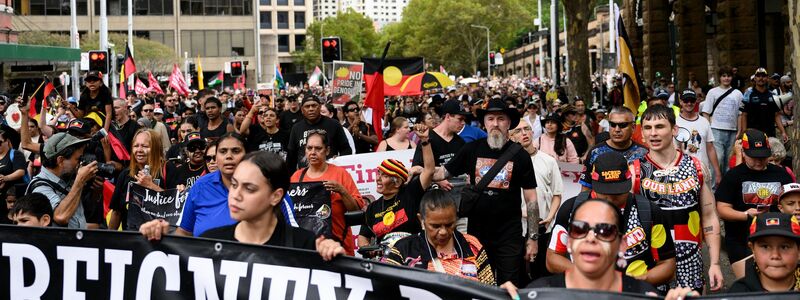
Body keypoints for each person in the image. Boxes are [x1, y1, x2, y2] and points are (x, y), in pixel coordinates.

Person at [142, 151, 346, 261]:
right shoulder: (210, 242)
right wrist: (156, 243)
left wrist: (335, 260)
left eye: (249, 188)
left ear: (276, 196)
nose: (235, 196)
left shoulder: (305, 246)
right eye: (234, 185)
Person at [433, 98, 538, 286]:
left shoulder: (520, 155)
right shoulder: (471, 148)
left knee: (510, 287)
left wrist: (533, 238)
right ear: (484, 122)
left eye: (500, 119)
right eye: (490, 119)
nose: (495, 124)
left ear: (508, 123)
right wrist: (421, 165)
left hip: (509, 236)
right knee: (480, 286)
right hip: (477, 235)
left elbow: (531, 200)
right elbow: (443, 172)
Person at [547, 152, 676, 288]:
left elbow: (667, 264)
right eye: (606, 193)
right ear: (594, 184)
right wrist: (588, 277)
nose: (612, 199)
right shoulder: (572, 210)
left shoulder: (649, 211)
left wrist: (633, 283)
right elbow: (552, 258)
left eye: (618, 192)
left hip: (633, 294)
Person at [635, 104, 724, 292]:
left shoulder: (696, 167)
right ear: (642, 133)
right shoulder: (634, 171)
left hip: (690, 263)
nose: (653, 133)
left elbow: (709, 216)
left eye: (660, 126)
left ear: (674, 129)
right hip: (651, 264)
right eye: (648, 128)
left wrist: (715, 263)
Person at [502, 198, 659, 298]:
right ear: (569, 241)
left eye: (604, 231)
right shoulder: (540, 293)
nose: (590, 238)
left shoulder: (645, 295)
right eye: (579, 229)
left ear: (622, 244)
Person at [716, 128, 794, 279]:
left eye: (763, 156)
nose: (759, 161)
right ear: (743, 153)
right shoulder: (733, 176)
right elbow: (722, 209)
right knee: (750, 284)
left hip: (776, 238)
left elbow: (793, 202)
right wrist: (746, 215)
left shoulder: (781, 174)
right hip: (741, 240)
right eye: (753, 157)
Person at [384, 189, 495, 285]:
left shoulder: (471, 245)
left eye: (449, 225)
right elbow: (385, 289)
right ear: (421, 220)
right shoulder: (403, 249)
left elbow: (489, 289)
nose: (443, 232)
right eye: (435, 226)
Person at [358, 124, 435, 248]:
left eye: (384, 175)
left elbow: (429, 170)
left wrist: (425, 141)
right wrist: (368, 249)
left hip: (413, 255)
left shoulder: (410, 193)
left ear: (398, 182)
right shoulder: (372, 208)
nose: (377, 178)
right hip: (384, 259)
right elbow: (362, 238)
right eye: (378, 174)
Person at [289, 131, 365, 255]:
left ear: (327, 150)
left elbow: (356, 210)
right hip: (306, 249)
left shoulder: (340, 174)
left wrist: (342, 191)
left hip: (339, 246)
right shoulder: (296, 177)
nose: (313, 152)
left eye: (318, 148)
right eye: (309, 148)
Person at [510, 121, 563, 280]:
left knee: (541, 274)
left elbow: (557, 194)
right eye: (518, 131)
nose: (524, 133)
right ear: (511, 137)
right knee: (518, 275)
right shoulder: (507, 163)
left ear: (533, 132)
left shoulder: (549, 161)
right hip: (516, 228)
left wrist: (550, 217)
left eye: (527, 129)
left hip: (543, 228)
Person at [27, 133, 97, 229]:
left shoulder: (67, 179)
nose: (80, 163)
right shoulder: (40, 187)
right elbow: (61, 217)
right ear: (60, 160)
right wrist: (79, 181)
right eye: (77, 159)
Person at [108, 129, 168, 230]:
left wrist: (151, 186)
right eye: (136, 146)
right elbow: (117, 212)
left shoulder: (168, 169)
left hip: (159, 237)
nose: (139, 150)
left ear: (155, 148)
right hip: (131, 238)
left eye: (145, 146)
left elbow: (175, 207)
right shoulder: (125, 174)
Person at [727, 212, 800, 293]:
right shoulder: (738, 293)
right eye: (765, 247)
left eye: (784, 247)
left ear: (799, 251)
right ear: (753, 250)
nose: (775, 255)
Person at [580, 106, 648, 191]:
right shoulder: (595, 152)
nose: (617, 129)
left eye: (622, 125)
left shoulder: (644, 153)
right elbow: (585, 189)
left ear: (633, 127)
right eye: (612, 124)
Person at [286, 95, 351, 171]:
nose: (311, 109)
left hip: (330, 174)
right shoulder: (296, 128)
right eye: (307, 106)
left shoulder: (334, 124)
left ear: (320, 107)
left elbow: (346, 150)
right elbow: (291, 157)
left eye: (314, 106)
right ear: (302, 110)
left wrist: (339, 159)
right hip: (305, 177)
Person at [702, 66, 745, 176]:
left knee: (728, 161)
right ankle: (714, 188)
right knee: (718, 159)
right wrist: (708, 129)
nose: (726, 78)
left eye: (729, 76)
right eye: (724, 76)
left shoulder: (738, 94)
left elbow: (740, 113)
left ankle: (726, 186)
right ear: (720, 78)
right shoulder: (712, 92)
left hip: (732, 130)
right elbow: (706, 112)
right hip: (716, 129)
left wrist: (739, 130)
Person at [676, 89, 723, 187]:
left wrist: (718, 172)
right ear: (680, 102)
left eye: (692, 101)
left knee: (707, 201)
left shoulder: (704, 121)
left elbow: (710, 148)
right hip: (683, 174)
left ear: (696, 101)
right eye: (686, 101)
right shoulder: (675, 123)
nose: (689, 103)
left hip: (704, 172)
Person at [740, 68, 787, 141]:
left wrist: (783, 132)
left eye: (763, 76)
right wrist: (744, 133)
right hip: (752, 134)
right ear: (755, 78)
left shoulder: (773, 95)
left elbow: (776, 115)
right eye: (758, 76)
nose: (761, 78)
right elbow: (744, 115)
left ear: (767, 78)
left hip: (770, 134)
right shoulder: (748, 94)